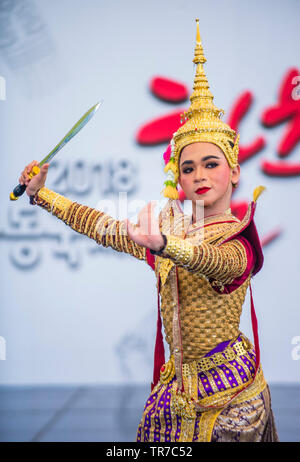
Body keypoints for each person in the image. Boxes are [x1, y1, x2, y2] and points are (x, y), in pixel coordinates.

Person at [19, 19, 279, 442]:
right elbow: (102, 227)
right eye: (187, 166)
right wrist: (43, 195)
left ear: (234, 171)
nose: (198, 174)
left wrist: (163, 244)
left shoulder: (237, 238)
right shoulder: (169, 223)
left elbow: (214, 262)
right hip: (173, 392)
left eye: (211, 164)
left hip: (230, 396)